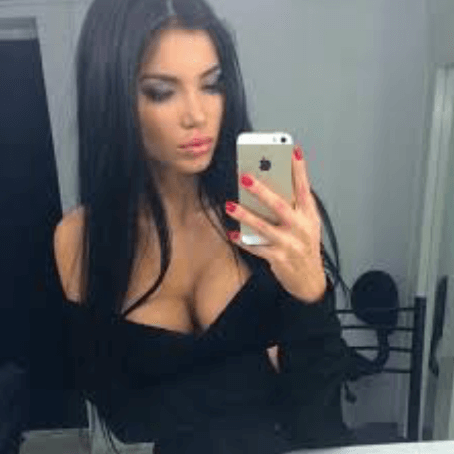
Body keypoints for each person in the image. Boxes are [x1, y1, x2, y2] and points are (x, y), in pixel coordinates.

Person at [52, 0, 357, 452]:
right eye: (162, 92)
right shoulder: (81, 239)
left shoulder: (271, 213)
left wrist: (311, 293)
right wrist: (266, 364)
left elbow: (320, 420)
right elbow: (128, 419)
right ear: (110, 99)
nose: (197, 114)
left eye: (212, 85)